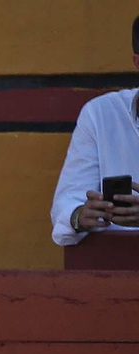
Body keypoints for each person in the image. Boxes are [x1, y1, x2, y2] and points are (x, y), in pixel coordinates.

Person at [51, 17, 139, 245]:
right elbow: (67, 203)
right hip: (114, 259)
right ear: (137, 63)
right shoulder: (100, 114)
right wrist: (80, 215)